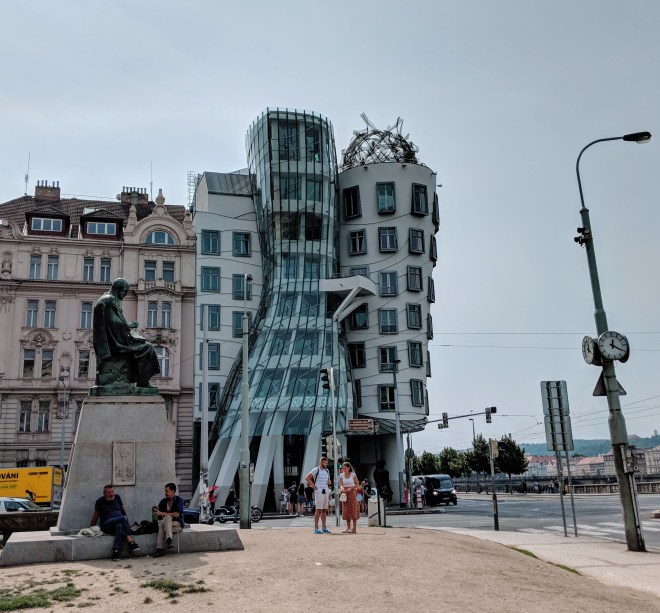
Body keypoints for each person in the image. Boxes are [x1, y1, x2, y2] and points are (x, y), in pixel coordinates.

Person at [93, 278, 160, 388]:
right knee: (147, 348)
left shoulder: (110, 299)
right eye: (125, 291)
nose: (125, 295)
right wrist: (127, 329)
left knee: (144, 344)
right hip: (115, 343)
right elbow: (112, 323)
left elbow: (114, 321)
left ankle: (139, 380)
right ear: (119, 289)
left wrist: (128, 325)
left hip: (116, 338)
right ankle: (142, 382)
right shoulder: (108, 300)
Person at [90, 484, 140, 561]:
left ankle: (116, 552)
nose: (111, 494)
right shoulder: (100, 501)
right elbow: (95, 515)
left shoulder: (117, 497)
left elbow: (123, 510)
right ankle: (130, 541)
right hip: (106, 525)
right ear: (104, 493)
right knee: (123, 518)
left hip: (118, 524)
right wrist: (90, 527)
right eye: (109, 492)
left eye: (112, 491)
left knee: (119, 526)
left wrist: (126, 524)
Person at [153, 482, 184, 558]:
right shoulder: (163, 501)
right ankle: (168, 540)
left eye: (167, 491)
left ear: (173, 491)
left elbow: (177, 514)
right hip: (168, 526)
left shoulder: (179, 500)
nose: (165, 493)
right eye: (165, 491)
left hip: (177, 525)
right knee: (162, 523)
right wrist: (156, 513)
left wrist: (162, 513)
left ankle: (160, 549)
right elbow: (159, 517)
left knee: (167, 517)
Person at [305, 456, 332, 534]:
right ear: (321, 462)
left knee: (324, 510)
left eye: (326, 463)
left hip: (326, 491)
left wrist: (329, 482)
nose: (326, 464)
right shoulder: (316, 469)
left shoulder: (327, 470)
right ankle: (316, 528)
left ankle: (324, 527)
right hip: (319, 491)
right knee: (318, 510)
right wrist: (313, 486)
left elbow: (328, 480)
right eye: (325, 463)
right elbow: (307, 478)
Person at [339, 461, 360, 533]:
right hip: (345, 493)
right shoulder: (341, 475)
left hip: (352, 493)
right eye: (343, 468)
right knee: (346, 510)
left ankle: (354, 528)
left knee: (353, 509)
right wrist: (342, 488)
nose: (344, 470)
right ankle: (348, 528)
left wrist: (351, 488)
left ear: (348, 468)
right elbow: (341, 484)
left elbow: (357, 484)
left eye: (345, 468)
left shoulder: (353, 474)